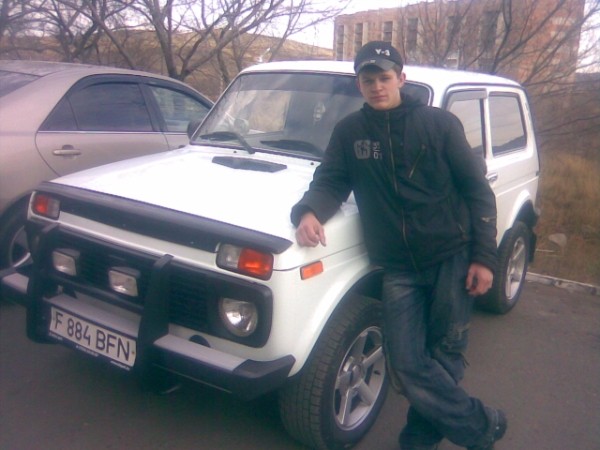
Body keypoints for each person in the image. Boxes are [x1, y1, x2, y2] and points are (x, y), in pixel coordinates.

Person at [290, 41, 507, 450]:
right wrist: (309, 211)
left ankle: (417, 441)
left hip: (450, 257)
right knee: (406, 363)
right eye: (368, 79)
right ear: (359, 84)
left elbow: (478, 191)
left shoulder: (439, 125)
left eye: (384, 77)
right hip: (397, 267)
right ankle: (481, 425)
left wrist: (484, 258)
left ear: (401, 79)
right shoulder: (350, 132)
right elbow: (331, 180)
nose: (377, 86)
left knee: (444, 354)